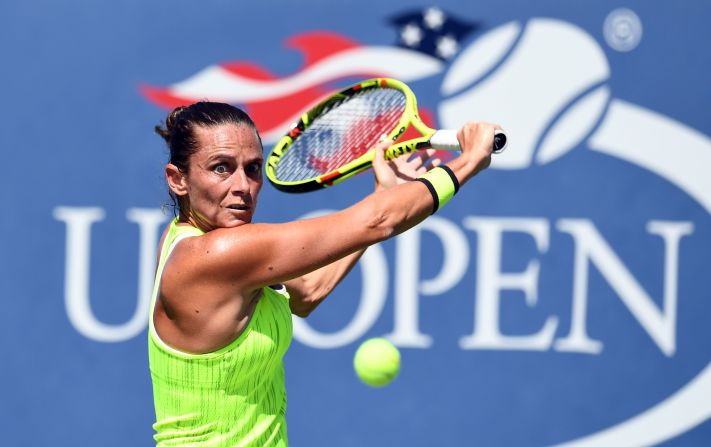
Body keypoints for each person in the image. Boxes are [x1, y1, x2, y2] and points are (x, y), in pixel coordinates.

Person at [148, 101, 498, 446]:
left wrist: (386, 193)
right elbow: (377, 221)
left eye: (252, 169)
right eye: (221, 168)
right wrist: (468, 161)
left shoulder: (190, 239)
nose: (243, 185)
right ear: (178, 179)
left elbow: (308, 292)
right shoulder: (213, 255)